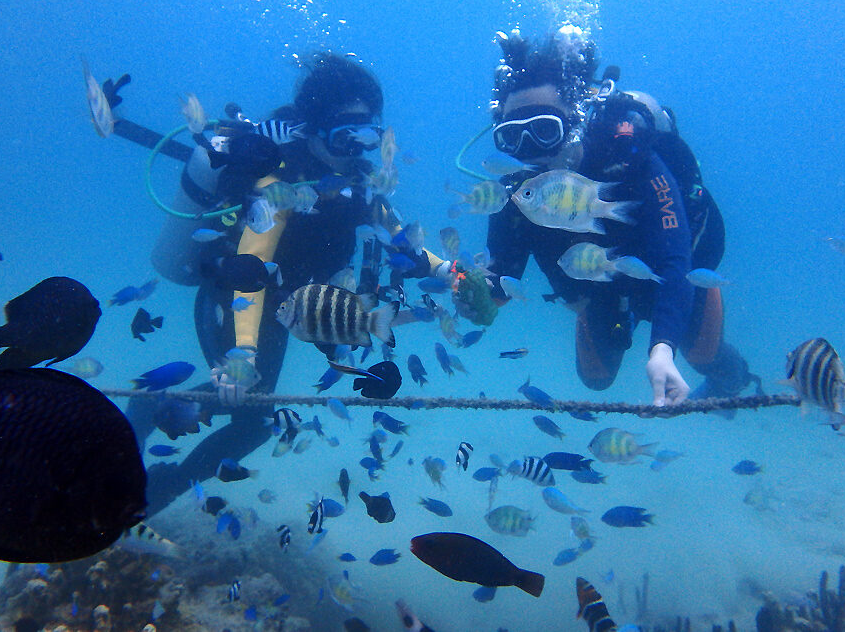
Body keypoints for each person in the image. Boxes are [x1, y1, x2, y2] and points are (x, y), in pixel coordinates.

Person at [104, 53, 438, 515]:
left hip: (286, 308)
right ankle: (142, 428)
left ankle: (159, 487)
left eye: (366, 135)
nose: (355, 148)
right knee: (251, 405)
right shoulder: (278, 177)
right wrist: (243, 353)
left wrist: (449, 272)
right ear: (313, 128)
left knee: (256, 423)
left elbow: (403, 242)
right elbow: (252, 264)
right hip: (236, 298)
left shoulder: (360, 182)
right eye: (344, 134)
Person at [464, 27, 759, 407]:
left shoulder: (628, 155)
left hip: (672, 269)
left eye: (544, 130)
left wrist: (662, 351)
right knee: (596, 379)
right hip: (597, 282)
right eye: (511, 137)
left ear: (575, 121)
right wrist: (473, 292)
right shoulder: (519, 190)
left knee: (702, 355)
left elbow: (674, 256)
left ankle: (731, 375)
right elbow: (502, 274)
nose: (529, 149)